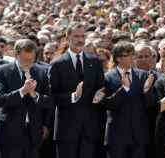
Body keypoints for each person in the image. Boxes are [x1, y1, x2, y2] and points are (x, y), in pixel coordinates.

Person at [49, 22, 105, 158]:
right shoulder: (57, 64)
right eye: (76, 36)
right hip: (66, 129)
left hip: (89, 128)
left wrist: (100, 94)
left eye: (82, 36)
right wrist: (73, 96)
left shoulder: (95, 61)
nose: (80, 40)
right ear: (68, 37)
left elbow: (102, 87)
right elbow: (52, 96)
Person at [0, 39, 54, 158]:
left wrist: (34, 94)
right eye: (25, 59)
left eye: (32, 60)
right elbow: (0, 99)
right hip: (9, 133)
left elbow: (50, 102)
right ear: (16, 55)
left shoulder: (42, 72)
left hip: (33, 133)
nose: (29, 63)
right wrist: (22, 91)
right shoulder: (2, 71)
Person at [103, 41, 153, 158]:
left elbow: (149, 104)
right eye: (128, 55)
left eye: (133, 54)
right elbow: (109, 104)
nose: (132, 58)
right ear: (118, 58)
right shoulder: (107, 77)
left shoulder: (143, 75)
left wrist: (147, 91)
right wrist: (124, 88)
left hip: (139, 136)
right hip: (117, 136)